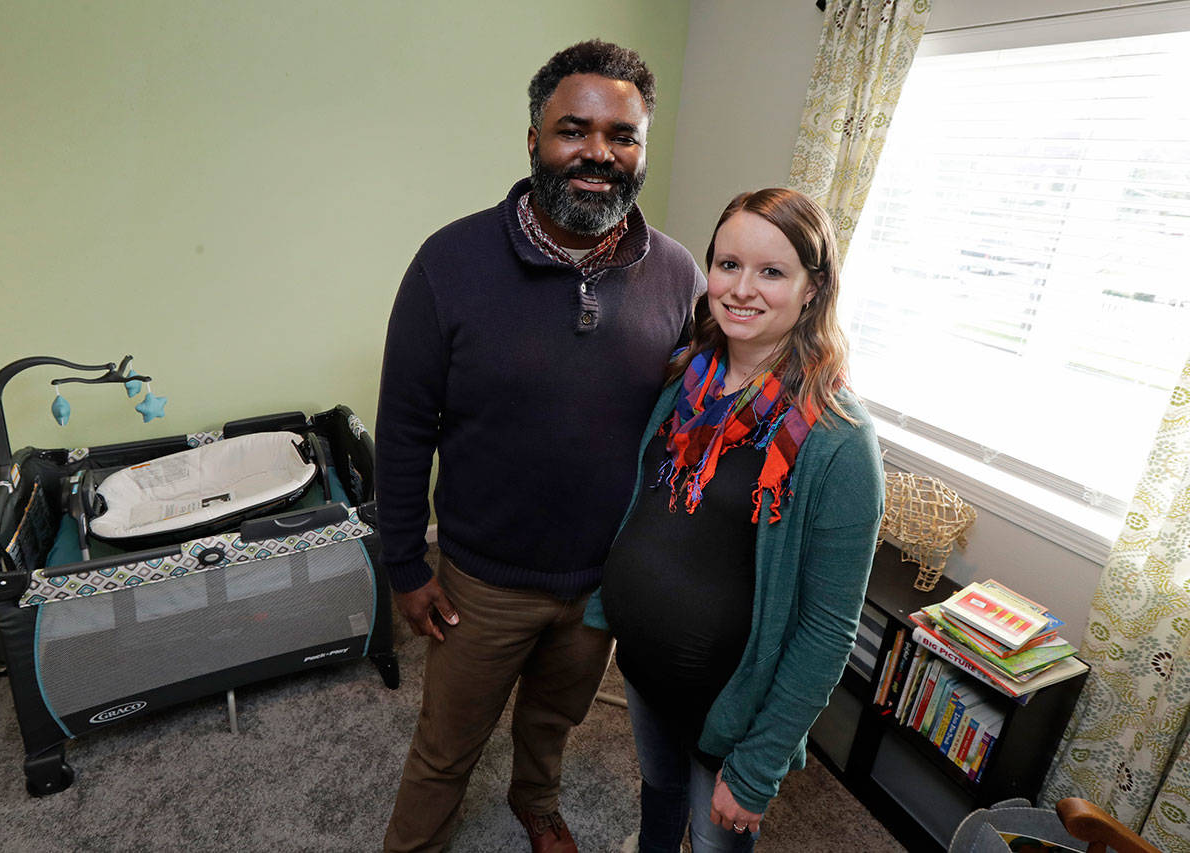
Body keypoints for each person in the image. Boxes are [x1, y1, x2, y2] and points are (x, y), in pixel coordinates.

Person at [376, 40, 706, 853]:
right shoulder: (449, 262)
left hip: (600, 581)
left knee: (555, 718)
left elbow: (692, 419)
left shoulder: (678, 275)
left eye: (622, 135)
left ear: (642, 150)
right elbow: (405, 424)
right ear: (534, 141)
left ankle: (537, 800)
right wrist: (405, 564)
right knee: (446, 745)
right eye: (573, 130)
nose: (599, 152)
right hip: (483, 581)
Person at [586, 188, 885, 852]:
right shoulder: (687, 378)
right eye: (728, 265)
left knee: (716, 839)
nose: (742, 289)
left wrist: (756, 769)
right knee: (659, 791)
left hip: (728, 705)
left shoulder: (839, 440)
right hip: (644, 667)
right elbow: (648, 505)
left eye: (771, 271)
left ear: (813, 288)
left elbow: (828, 630)